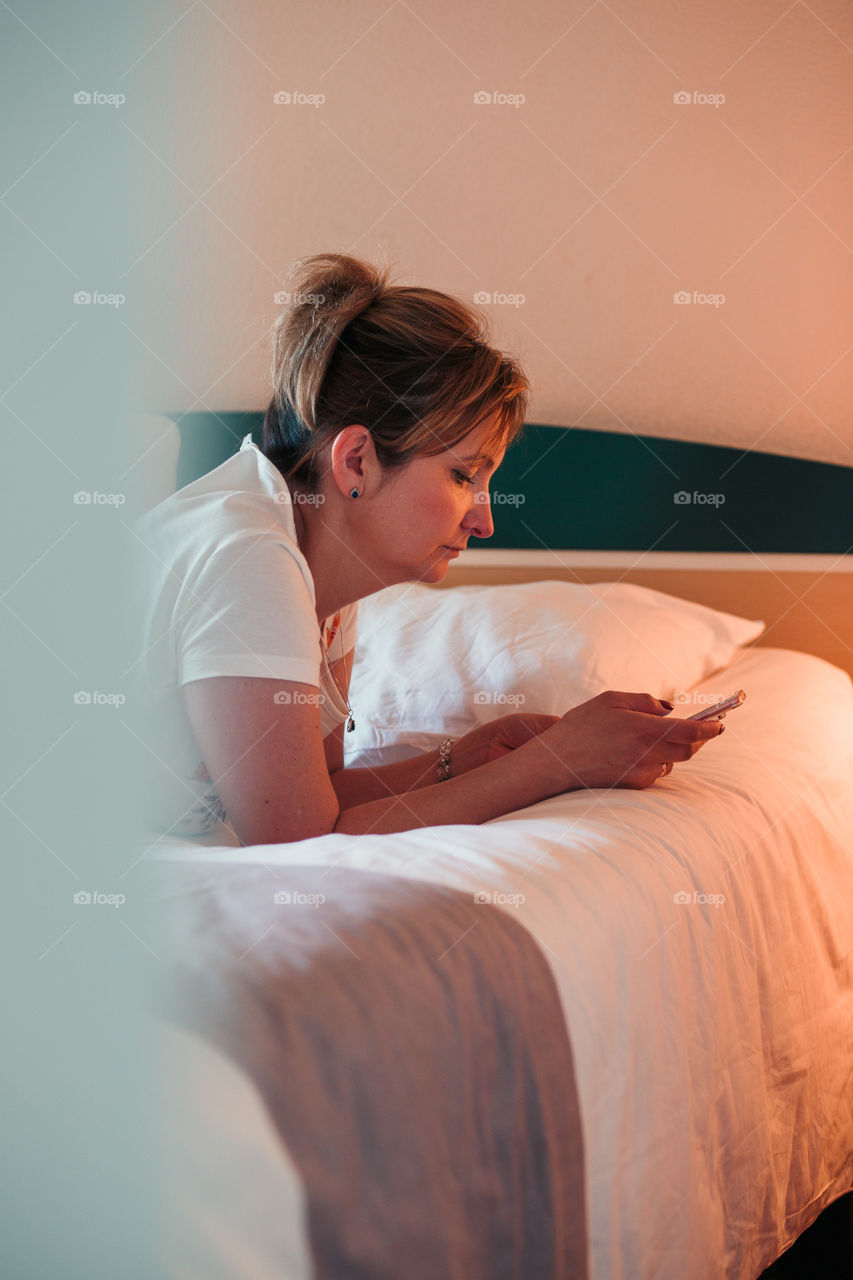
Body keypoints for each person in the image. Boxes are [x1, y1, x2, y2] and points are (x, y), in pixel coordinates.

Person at [134, 252, 723, 846]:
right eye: (465, 476)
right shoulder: (250, 558)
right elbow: (298, 840)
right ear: (356, 460)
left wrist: (471, 756)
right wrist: (556, 763)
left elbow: (324, 797)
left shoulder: (320, 569)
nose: (486, 521)